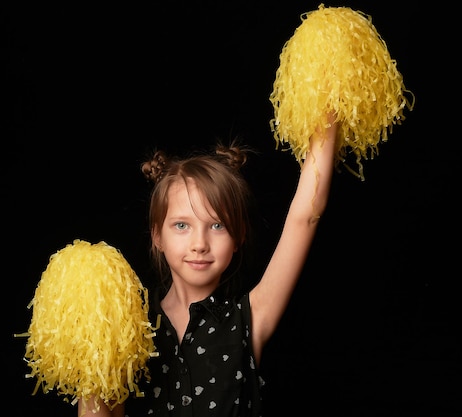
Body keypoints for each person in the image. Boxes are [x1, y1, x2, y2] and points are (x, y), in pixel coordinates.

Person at [77, 112, 339, 417]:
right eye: (181, 226)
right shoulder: (128, 330)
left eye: (217, 226)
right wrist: (90, 352)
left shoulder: (249, 319)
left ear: (238, 237)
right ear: (157, 236)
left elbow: (304, 216)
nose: (199, 244)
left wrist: (328, 96)